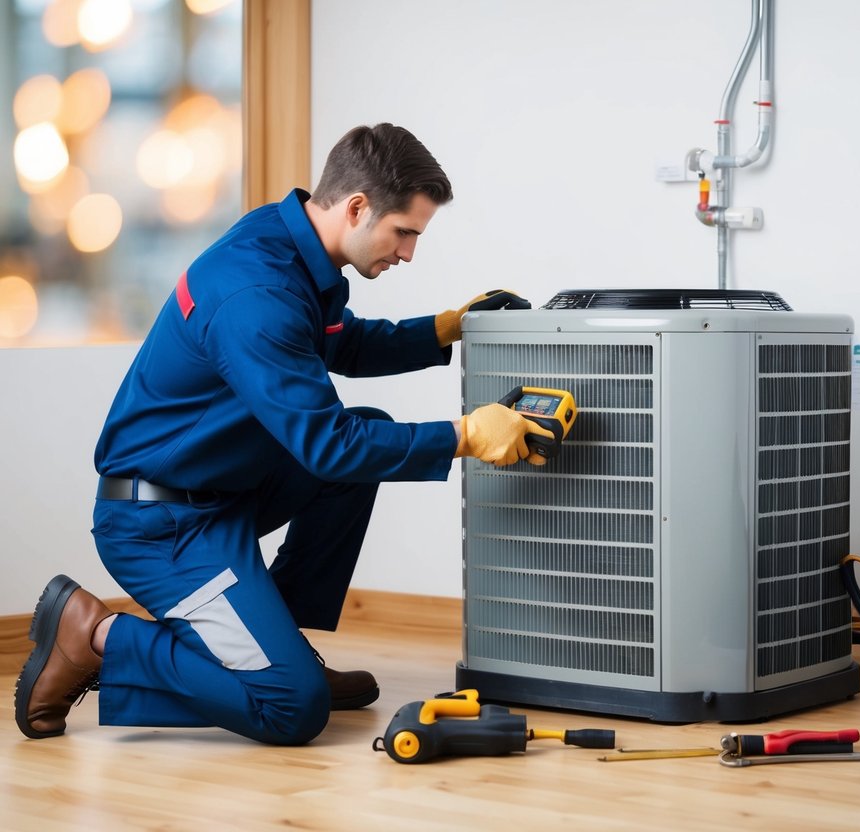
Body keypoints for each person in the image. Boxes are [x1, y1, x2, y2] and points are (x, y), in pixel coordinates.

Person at [14, 123, 551, 746]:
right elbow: (328, 444)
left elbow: (335, 341)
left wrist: (442, 328)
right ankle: (96, 635)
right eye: (404, 232)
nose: (408, 253)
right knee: (293, 708)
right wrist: (465, 434)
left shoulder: (285, 243)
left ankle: (274, 645)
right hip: (161, 527)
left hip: (221, 493)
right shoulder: (259, 292)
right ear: (356, 207)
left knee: (365, 445)